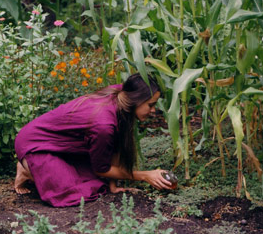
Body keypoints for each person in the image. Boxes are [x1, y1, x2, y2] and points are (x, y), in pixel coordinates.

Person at [14, 73, 173, 207]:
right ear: (136, 99)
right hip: (34, 144)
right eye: (150, 105)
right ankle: (27, 170)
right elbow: (101, 169)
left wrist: (113, 185)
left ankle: (37, 169)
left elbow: (115, 144)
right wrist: (145, 175)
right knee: (71, 192)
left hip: (61, 145)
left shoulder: (122, 94)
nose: (153, 111)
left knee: (97, 181)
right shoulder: (103, 124)